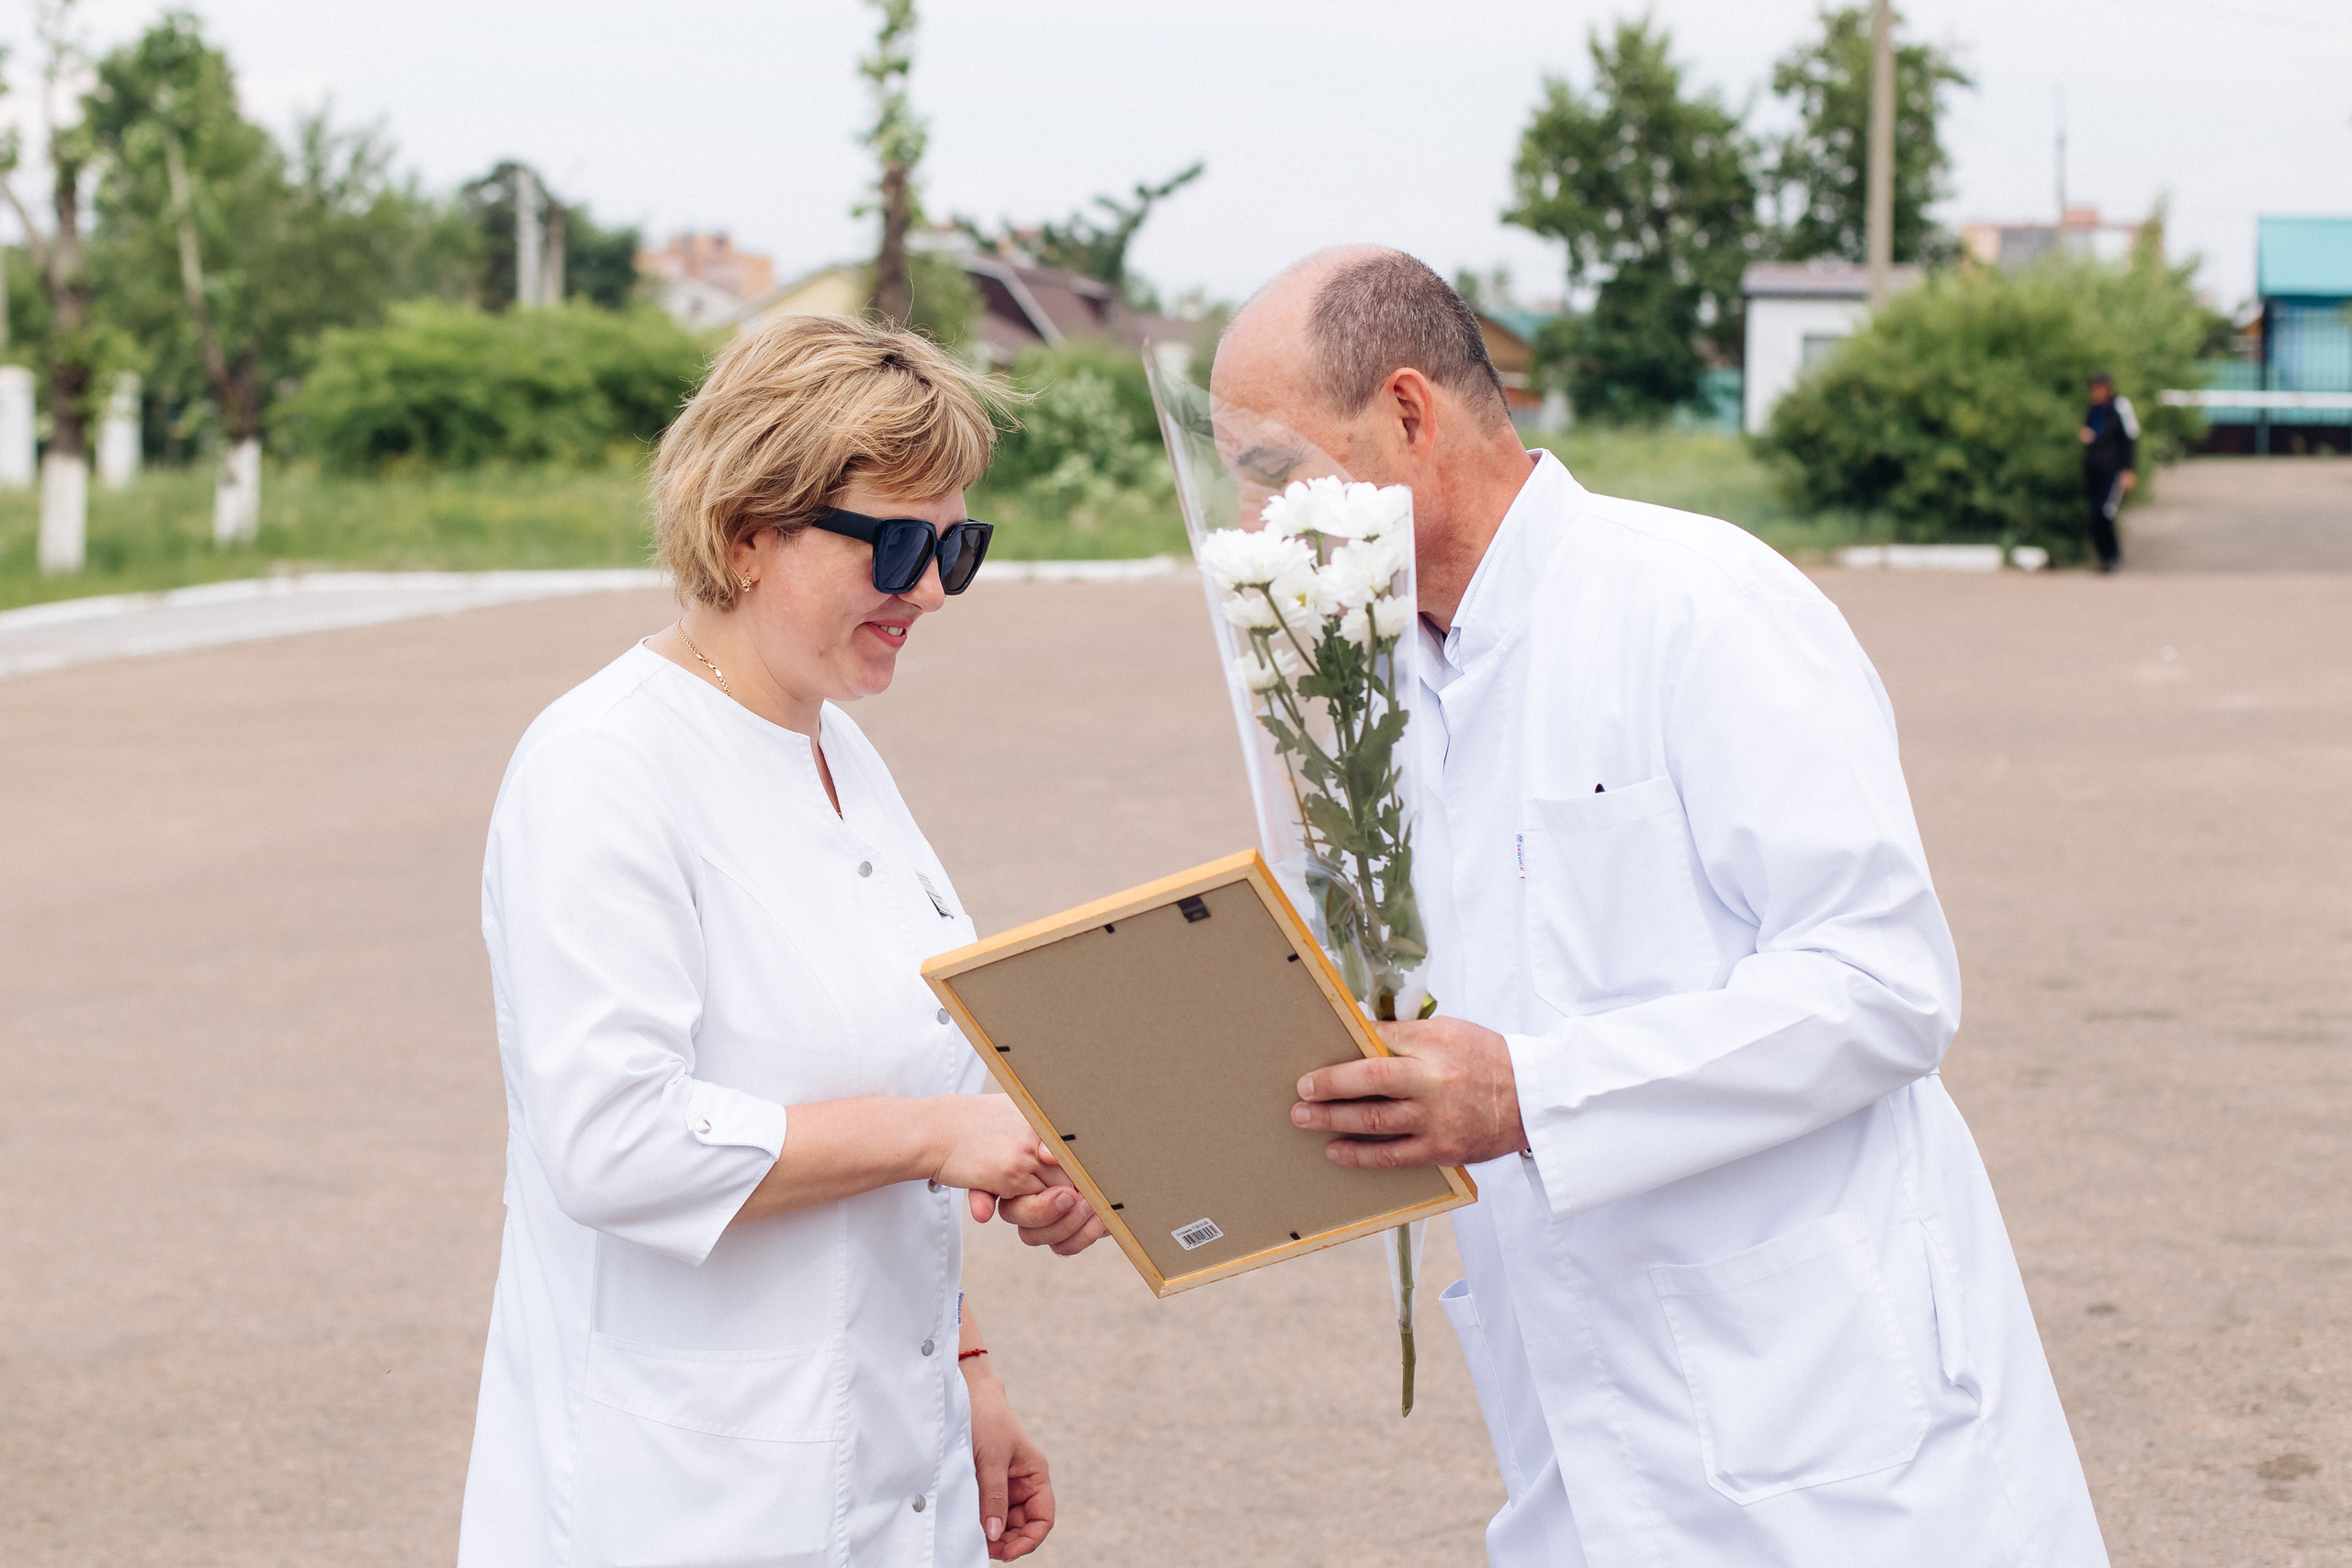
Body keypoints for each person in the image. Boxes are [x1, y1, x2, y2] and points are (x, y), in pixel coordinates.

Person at [1003, 250, 2110, 1566]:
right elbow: (1341, 1013)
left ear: (1411, 414)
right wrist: (1118, 1149)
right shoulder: (1354, 689)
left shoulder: (1699, 604)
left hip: (1825, 1414)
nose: (1252, 526)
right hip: (1581, 1429)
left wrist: (1534, 1094)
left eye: (1272, 471)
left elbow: (1884, 985)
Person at [458, 314, 1064, 1566]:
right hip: (684, 1489)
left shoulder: (837, 745)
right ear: (746, 531)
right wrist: (947, 1137)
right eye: (897, 541)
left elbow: (903, 1065)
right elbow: (612, 1138)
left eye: (957, 541)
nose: (933, 586)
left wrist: (968, 1364)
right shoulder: (603, 765)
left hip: (890, 1453)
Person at [2080, 372, 2139, 572]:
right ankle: (2103, 557)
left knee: (2105, 512)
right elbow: (2090, 433)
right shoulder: (2093, 409)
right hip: (2094, 469)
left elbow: (2130, 438)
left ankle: (2113, 556)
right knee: (2094, 515)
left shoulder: (2120, 406)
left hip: (2113, 470)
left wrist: (2128, 469)